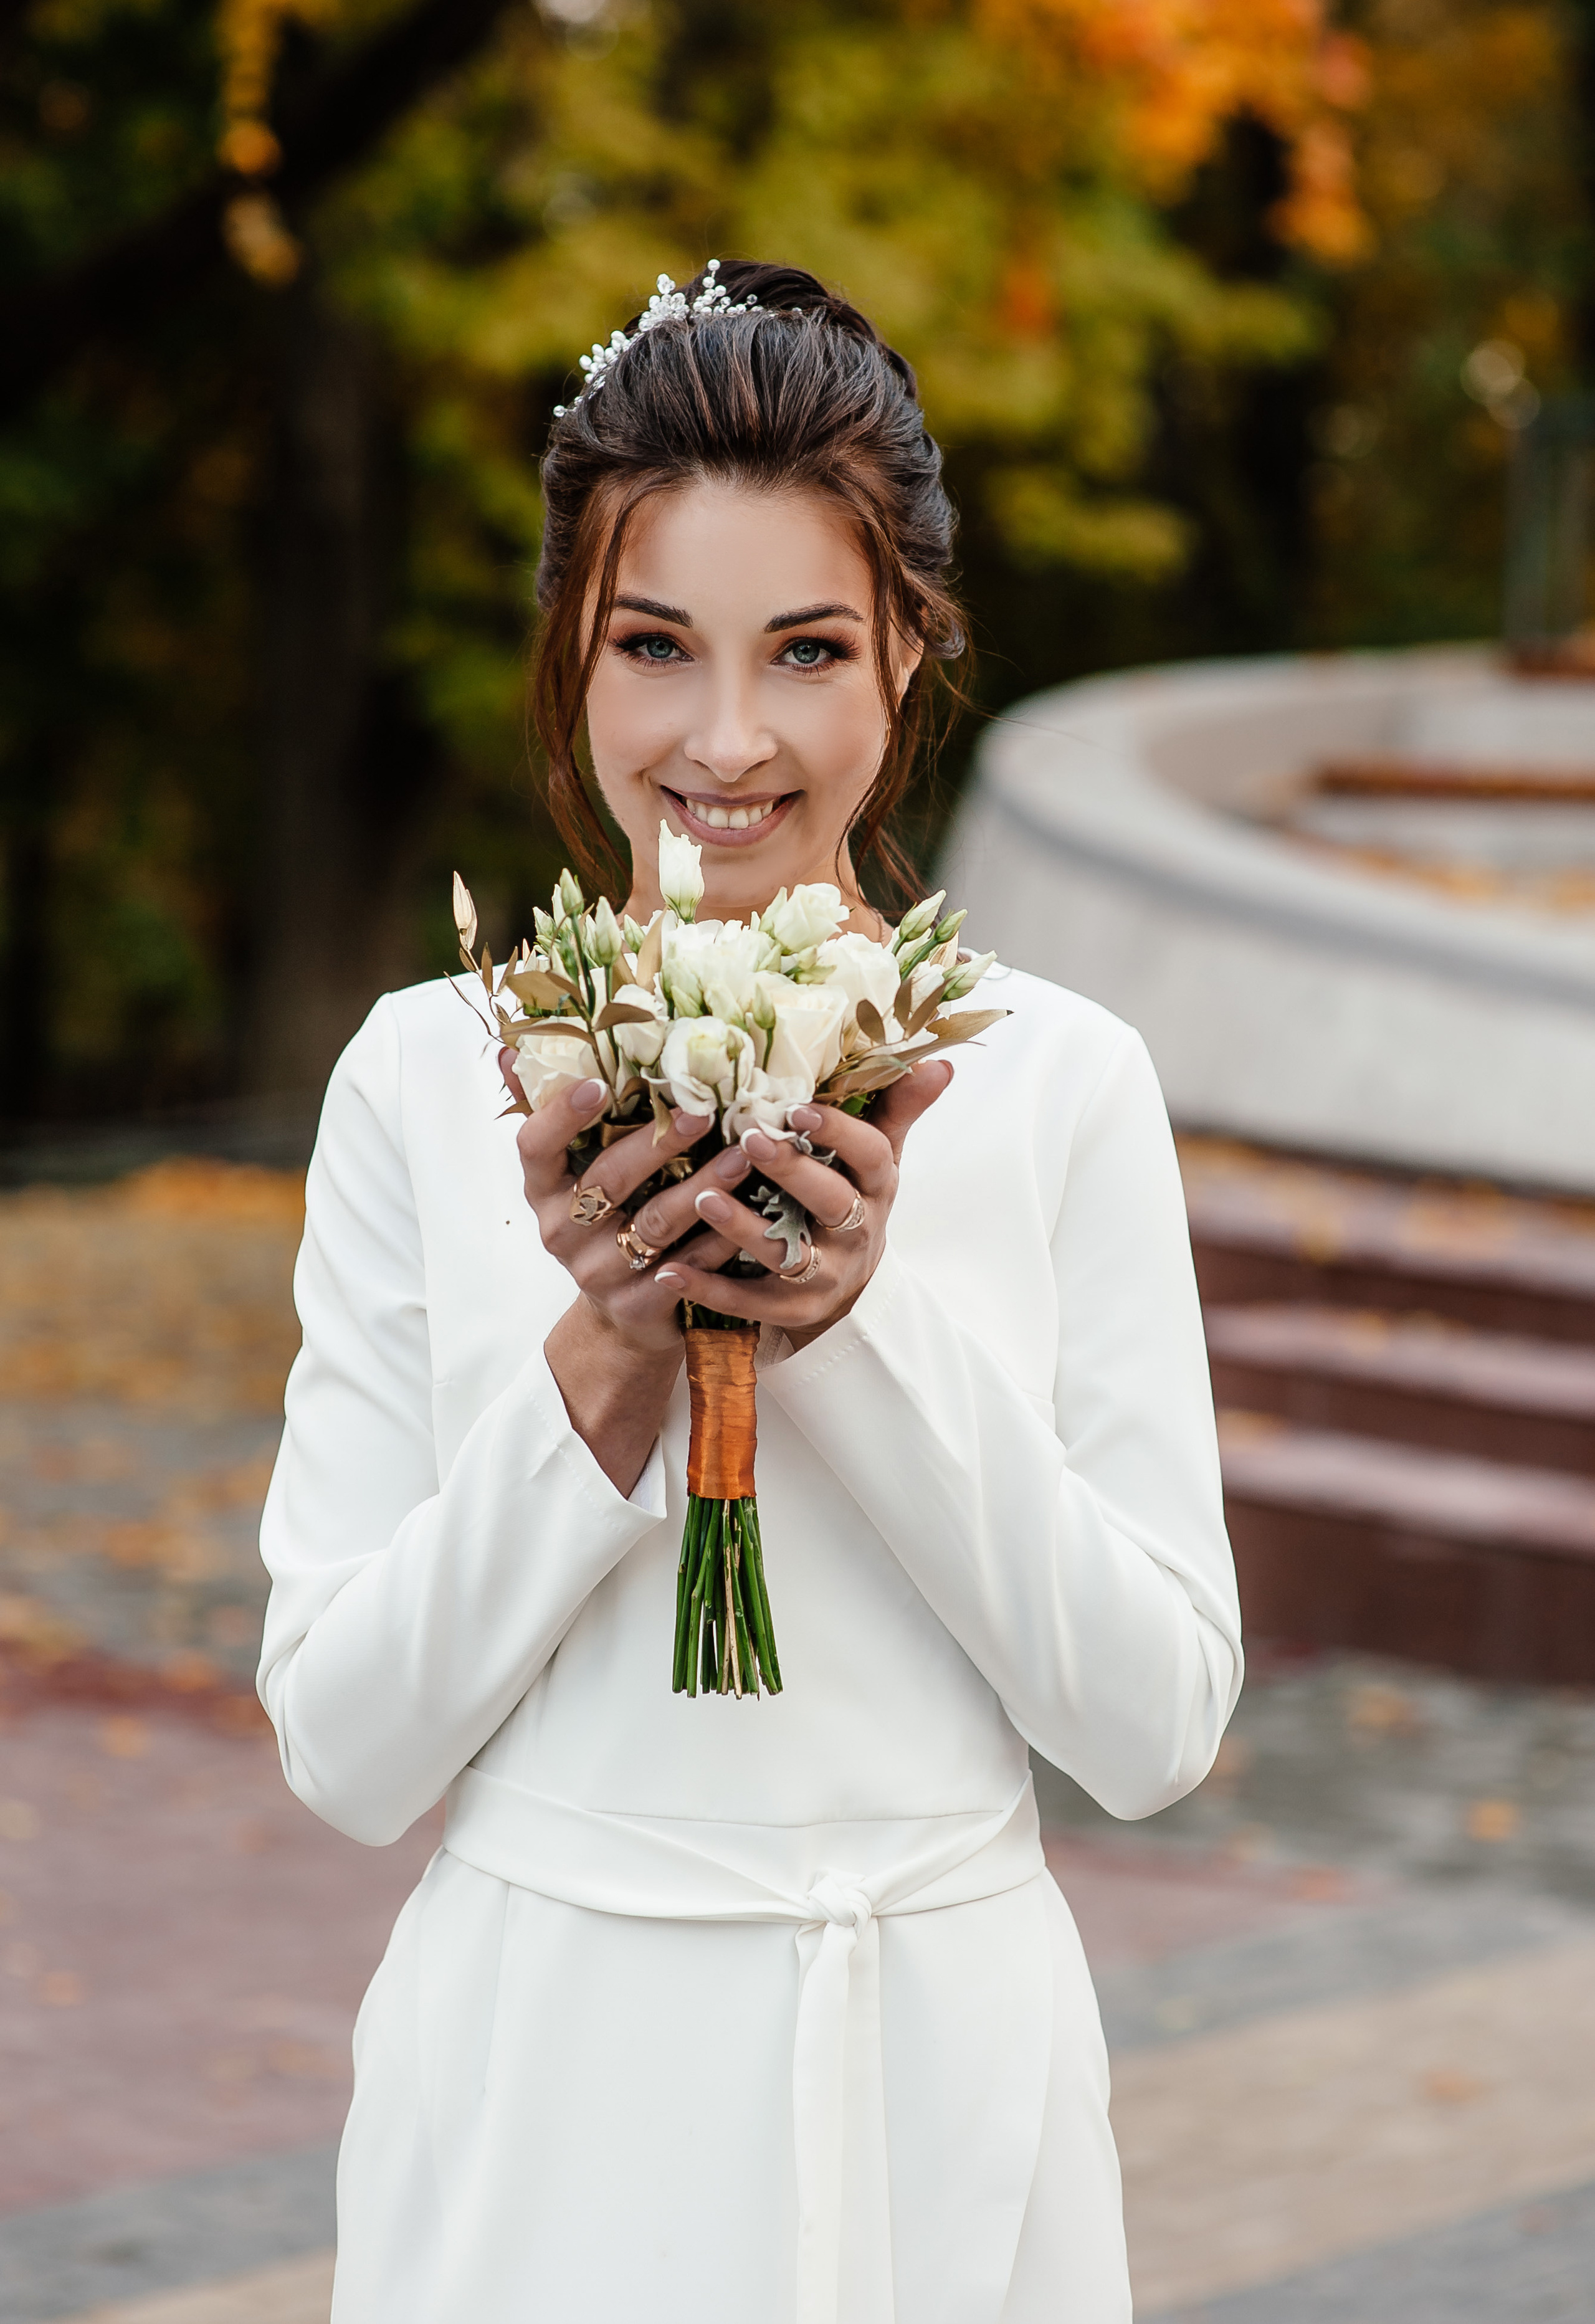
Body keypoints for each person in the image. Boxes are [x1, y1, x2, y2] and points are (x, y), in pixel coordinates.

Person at [257, 257, 1242, 2324]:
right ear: (572, 653)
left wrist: (853, 1323)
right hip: (544, 2092)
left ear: (910, 651)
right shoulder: (421, 1077)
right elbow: (344, 1746)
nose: (726, 740)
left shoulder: (1057, 1081)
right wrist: (607, 1352)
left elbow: (1155, 1722)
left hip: (939, 2084)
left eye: (807, 649)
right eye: (655, 646)